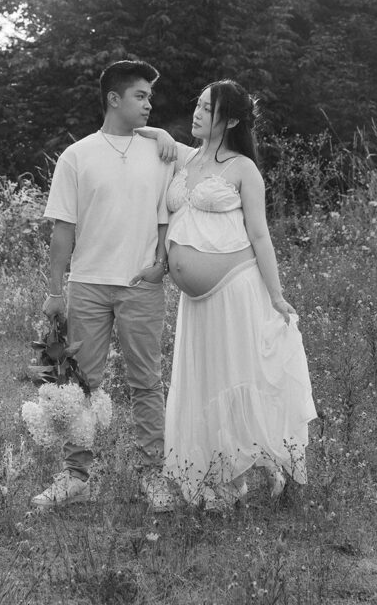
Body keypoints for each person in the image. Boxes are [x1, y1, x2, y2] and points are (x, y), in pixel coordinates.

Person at [136, 79, 316, 510]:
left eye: (207, 108)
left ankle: (263, 465)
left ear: (231, 119)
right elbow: (164, 154)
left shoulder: (242, 168)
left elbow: (260, 233)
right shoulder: (188, 158)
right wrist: (151, 131)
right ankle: (218, 477)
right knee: (205, 382)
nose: (196, 113)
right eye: (196, 104)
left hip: (236, 287)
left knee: (238, 376)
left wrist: (276, 295)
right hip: (195, 302)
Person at [31, 60, 177, 512]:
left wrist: (162, 265)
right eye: (141, 96)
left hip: (140, 285)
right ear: (114, 99)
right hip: (89, 285)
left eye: (150, 97)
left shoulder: (159, 153)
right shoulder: (77, 156)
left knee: (146, 382)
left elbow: (167, 219)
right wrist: (55, 292)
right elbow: (62, 230)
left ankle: (153, 475)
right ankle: (77, 476)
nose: (149, 104)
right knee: (80, 383)